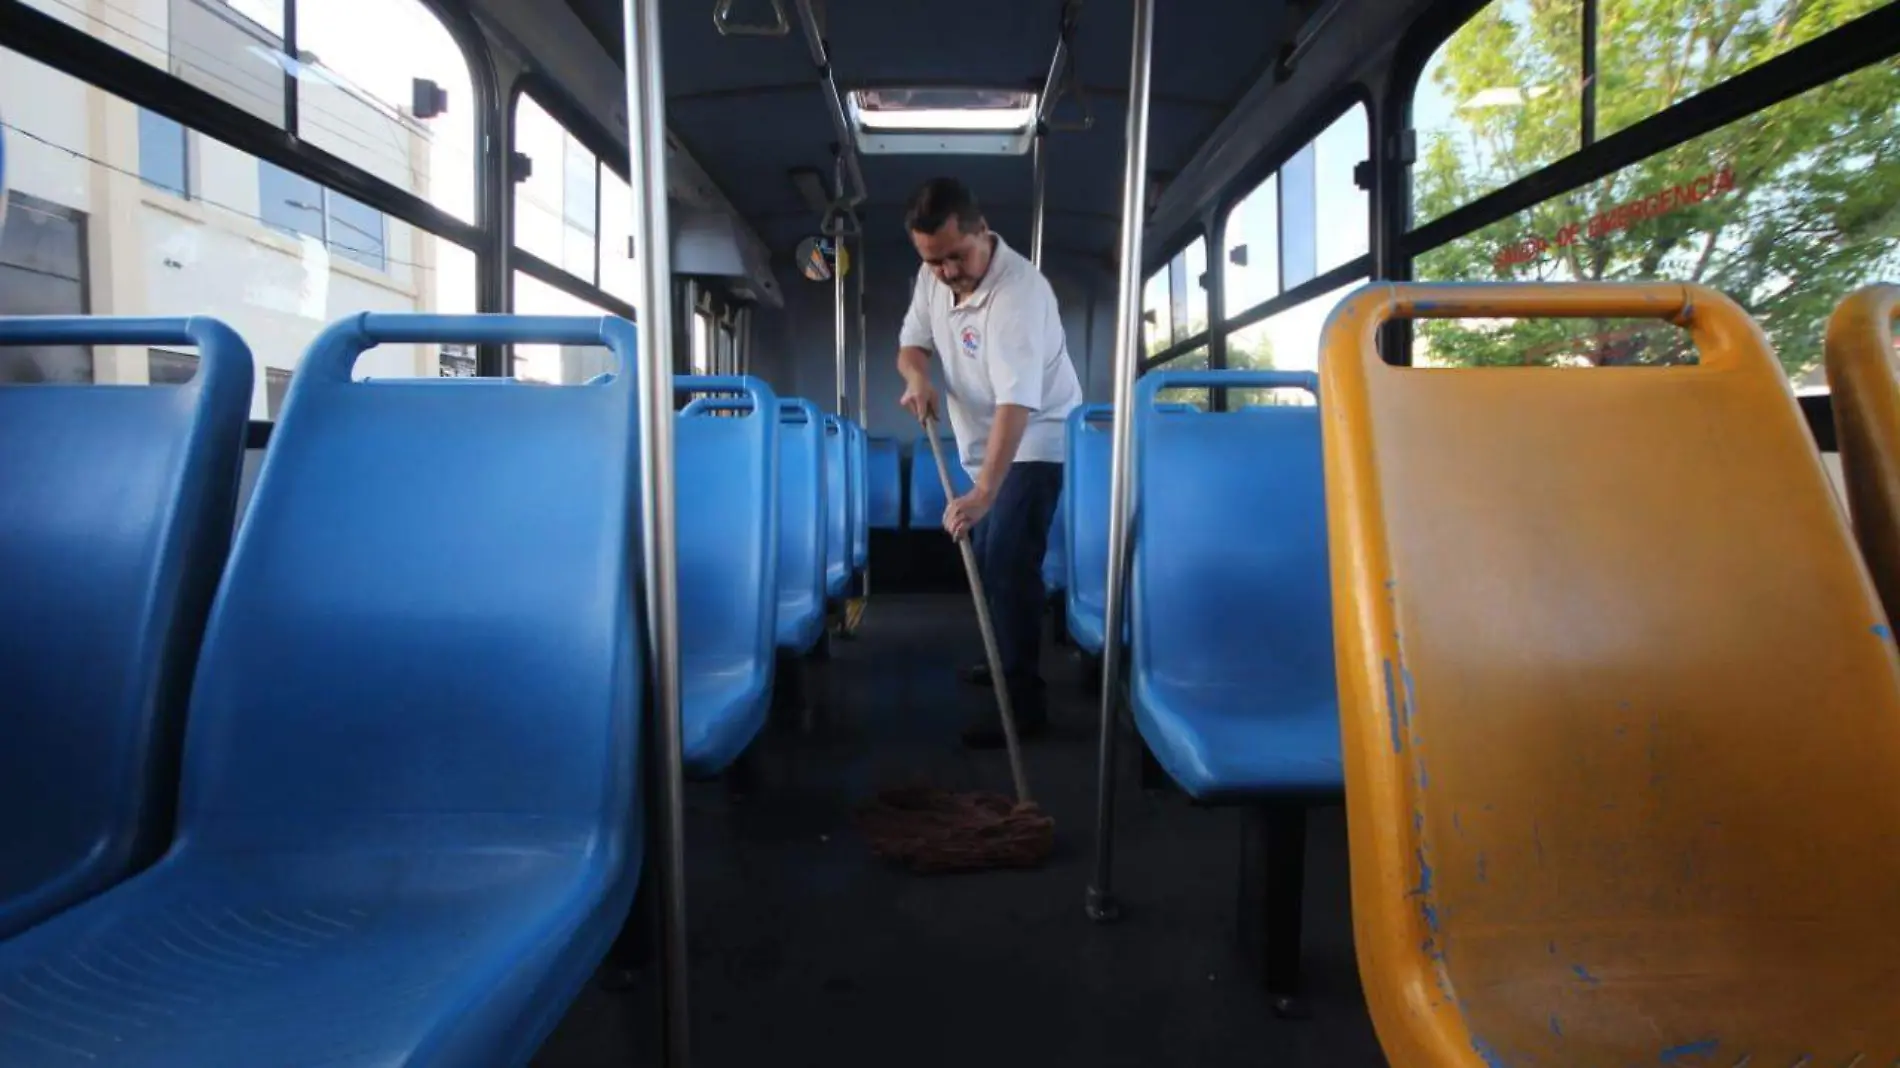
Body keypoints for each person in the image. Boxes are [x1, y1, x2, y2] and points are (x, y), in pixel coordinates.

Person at [895, 177, 1082, 749]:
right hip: (985, 443)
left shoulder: (1018, 295)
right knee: (989, 550)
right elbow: (911, 343)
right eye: (933, 261)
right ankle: (1005, 662)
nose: (947, 271)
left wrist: (982, 495)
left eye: (956, 256)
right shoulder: (934, 279)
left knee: (1006, 557)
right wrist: (918, 377)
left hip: (1037, 436)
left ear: (983, 231)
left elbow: (1015, 405)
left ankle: (1024, 704)